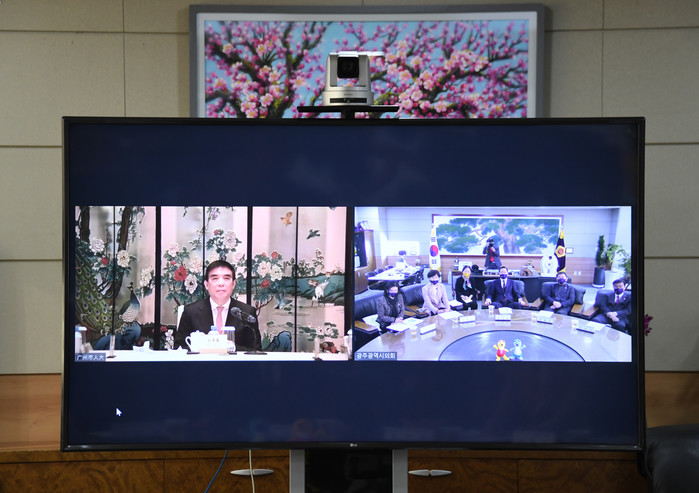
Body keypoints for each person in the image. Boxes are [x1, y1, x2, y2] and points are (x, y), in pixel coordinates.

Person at [174, 259, 261, 351]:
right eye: (215, 278)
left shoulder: (247, 312)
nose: (221, 283)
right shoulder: (191, 312)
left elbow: (256, 350)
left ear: (233, 284)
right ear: (206, 285)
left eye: (226, 278)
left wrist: (232, 348)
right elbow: (179, 348)